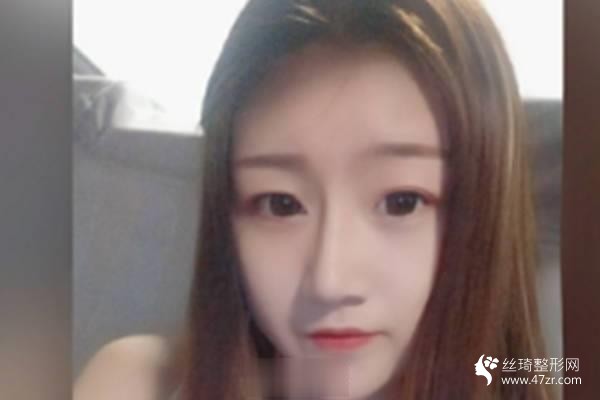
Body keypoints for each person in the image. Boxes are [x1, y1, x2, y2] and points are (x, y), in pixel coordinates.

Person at [75, 0, 556, 399]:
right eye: (280, 205)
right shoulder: (140, 383)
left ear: (486, 207)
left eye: (402, 202)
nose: (329, 281)